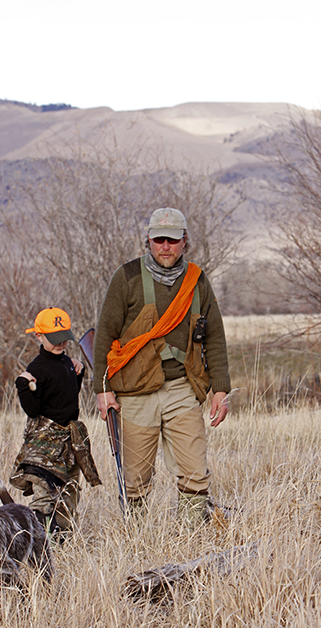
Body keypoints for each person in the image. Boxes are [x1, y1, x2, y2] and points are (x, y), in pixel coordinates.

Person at [92, 207, 231, 526]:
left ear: (185, 241)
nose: (165, 246)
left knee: (196, 472)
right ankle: (136, 537)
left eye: (172, 239)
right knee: (135, 479)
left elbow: (215, 335)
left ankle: (192, 536)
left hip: (183, 387)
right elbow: (104, 337)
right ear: (148, 241)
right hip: (135, 392)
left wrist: (220, 387)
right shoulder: (126, 277)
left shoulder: (197, 280)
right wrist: (103, 391)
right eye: (158, 240)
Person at [10, 307, 101, 542]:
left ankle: (63, 542)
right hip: (45, 445)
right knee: (44, 495)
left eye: (64, 338)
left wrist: (78, 373)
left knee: (70, 493)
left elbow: (67, 398)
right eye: (54, 339)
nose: (61, 343)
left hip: (70, 442)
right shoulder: (37, 369)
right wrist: (22, 385)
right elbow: (33, 410)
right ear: (38, 336)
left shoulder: (69, 363)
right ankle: (38, 543)